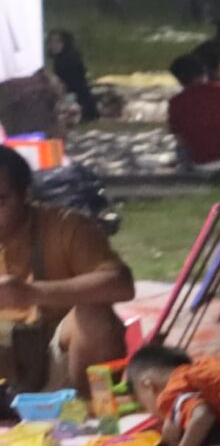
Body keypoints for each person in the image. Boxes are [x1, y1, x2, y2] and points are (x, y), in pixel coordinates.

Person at [0, 144, 134, 393]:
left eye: (1, 201)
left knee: (96, 317)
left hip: (57, 362)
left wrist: (32, 293)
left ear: (25, 195)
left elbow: (120, 284)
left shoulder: (65, 226)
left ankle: (89, 408)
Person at [165, 51, 220, 174]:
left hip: (202, 164)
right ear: (205, 72)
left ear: (179, 79)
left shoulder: (176, 103)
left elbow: (180, 139)